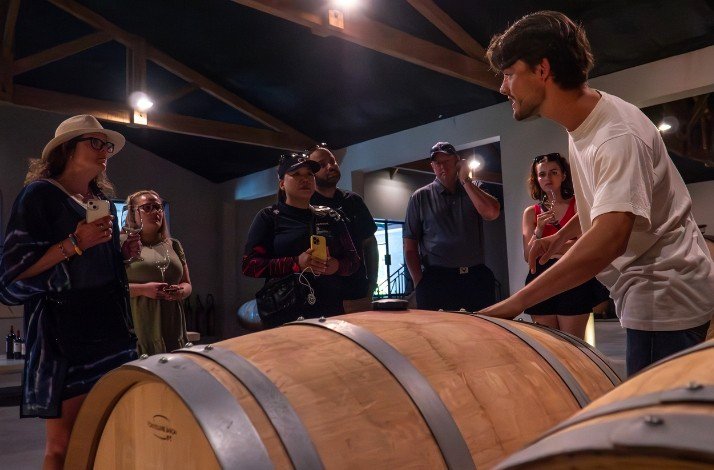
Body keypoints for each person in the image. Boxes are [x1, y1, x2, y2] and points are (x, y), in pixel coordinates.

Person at [482, 11, 713, 375]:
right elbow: (612, 207)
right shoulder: (585, 123)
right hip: (654, 289)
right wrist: (562, 236)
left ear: (542, 70)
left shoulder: (615, 135)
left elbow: (610, 239)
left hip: (663, 295)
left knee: (655, 427)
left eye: (510, 73)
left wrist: (514, 303)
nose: (503, 87)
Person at [0, 115, 140, 468]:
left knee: (106, 434)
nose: (105, 150)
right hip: (66, 340)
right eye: (95, 142)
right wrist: (75, 243)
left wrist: (118, 255)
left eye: (106, 144)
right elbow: (11, 277)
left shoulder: (99, 199)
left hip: (110, 333)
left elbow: (92, 270)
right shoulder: (40, 195)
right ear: (66, 149)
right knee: (63, 446)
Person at [242, 153, 361, 328]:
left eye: (309, 175)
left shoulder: (330, 217)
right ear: (282, 183)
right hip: (283, 312)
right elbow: (250, 265)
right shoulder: (269, 217)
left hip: (328, 312)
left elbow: (353, 261)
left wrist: (336, 265)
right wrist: (296, 263)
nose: (304, 179)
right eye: (296, 174)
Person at [403, 141, 501, 312]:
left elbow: (491, 213)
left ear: (457, 161)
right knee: (439, 335)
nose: (442, 167)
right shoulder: (420, 197)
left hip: (475, 276)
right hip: (437, 278)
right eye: (437, 163)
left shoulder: (474, 188)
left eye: (447, 161)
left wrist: (466, 180)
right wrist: (420, 282)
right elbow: (410, 246)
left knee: (483, 331)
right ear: (432, 166)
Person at [522, 152, 609, 339]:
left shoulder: (578, 205)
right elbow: (528, 254)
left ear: (563, 175)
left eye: (553, 172)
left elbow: (586, 245)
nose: (548, 178)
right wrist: (539, 230)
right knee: (547, 345)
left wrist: (547, 245)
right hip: (541, 276)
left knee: (573, 343)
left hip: (572, 273)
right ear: (536, 179)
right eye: (542, 174)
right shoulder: (531, 212)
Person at [308, 145, 379, 312]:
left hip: (357, 292)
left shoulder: (354, 201)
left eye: (332, 161)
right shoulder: (306, 205)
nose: (331, 166)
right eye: (322, 164)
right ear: (311, 173)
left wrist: (372, 284)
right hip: (320, 297)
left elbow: (370, 244)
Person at [125, 190, 192, 355]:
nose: (155, 212)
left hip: (172, 327)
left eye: (158, 207)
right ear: (133, 214)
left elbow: (187, 283)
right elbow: (110, 288)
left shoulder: (174, 244)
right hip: (139, 327)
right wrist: (143, 290)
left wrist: (181, 291)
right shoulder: (123, 245)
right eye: (147, 207)